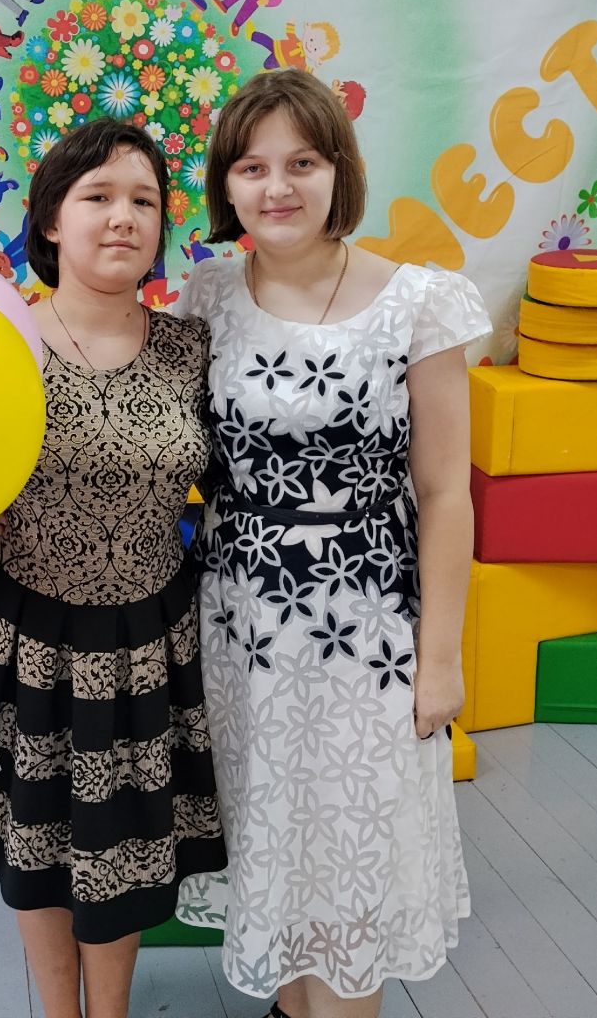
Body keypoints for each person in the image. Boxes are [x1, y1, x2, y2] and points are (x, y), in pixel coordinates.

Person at [174, 68, 491, 1018]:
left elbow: (445, 495)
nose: (277, 187)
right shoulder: (207, 295)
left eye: (302, 163)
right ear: (227, 186)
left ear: (339, 171)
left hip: (369, 631)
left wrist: (441, 659)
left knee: (354, 861)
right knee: (276, 847)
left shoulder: (420, 303)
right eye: (252, 167)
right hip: (239, 632)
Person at [0, 117, 227, 1018]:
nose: (124, 217)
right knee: (35, 844)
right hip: (29, 638)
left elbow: (233, 481)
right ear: (50, 220)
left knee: (124, 847)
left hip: (152, 640)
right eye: (98, 196)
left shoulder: (191, 349)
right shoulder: (1, 344)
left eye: (145, 201)